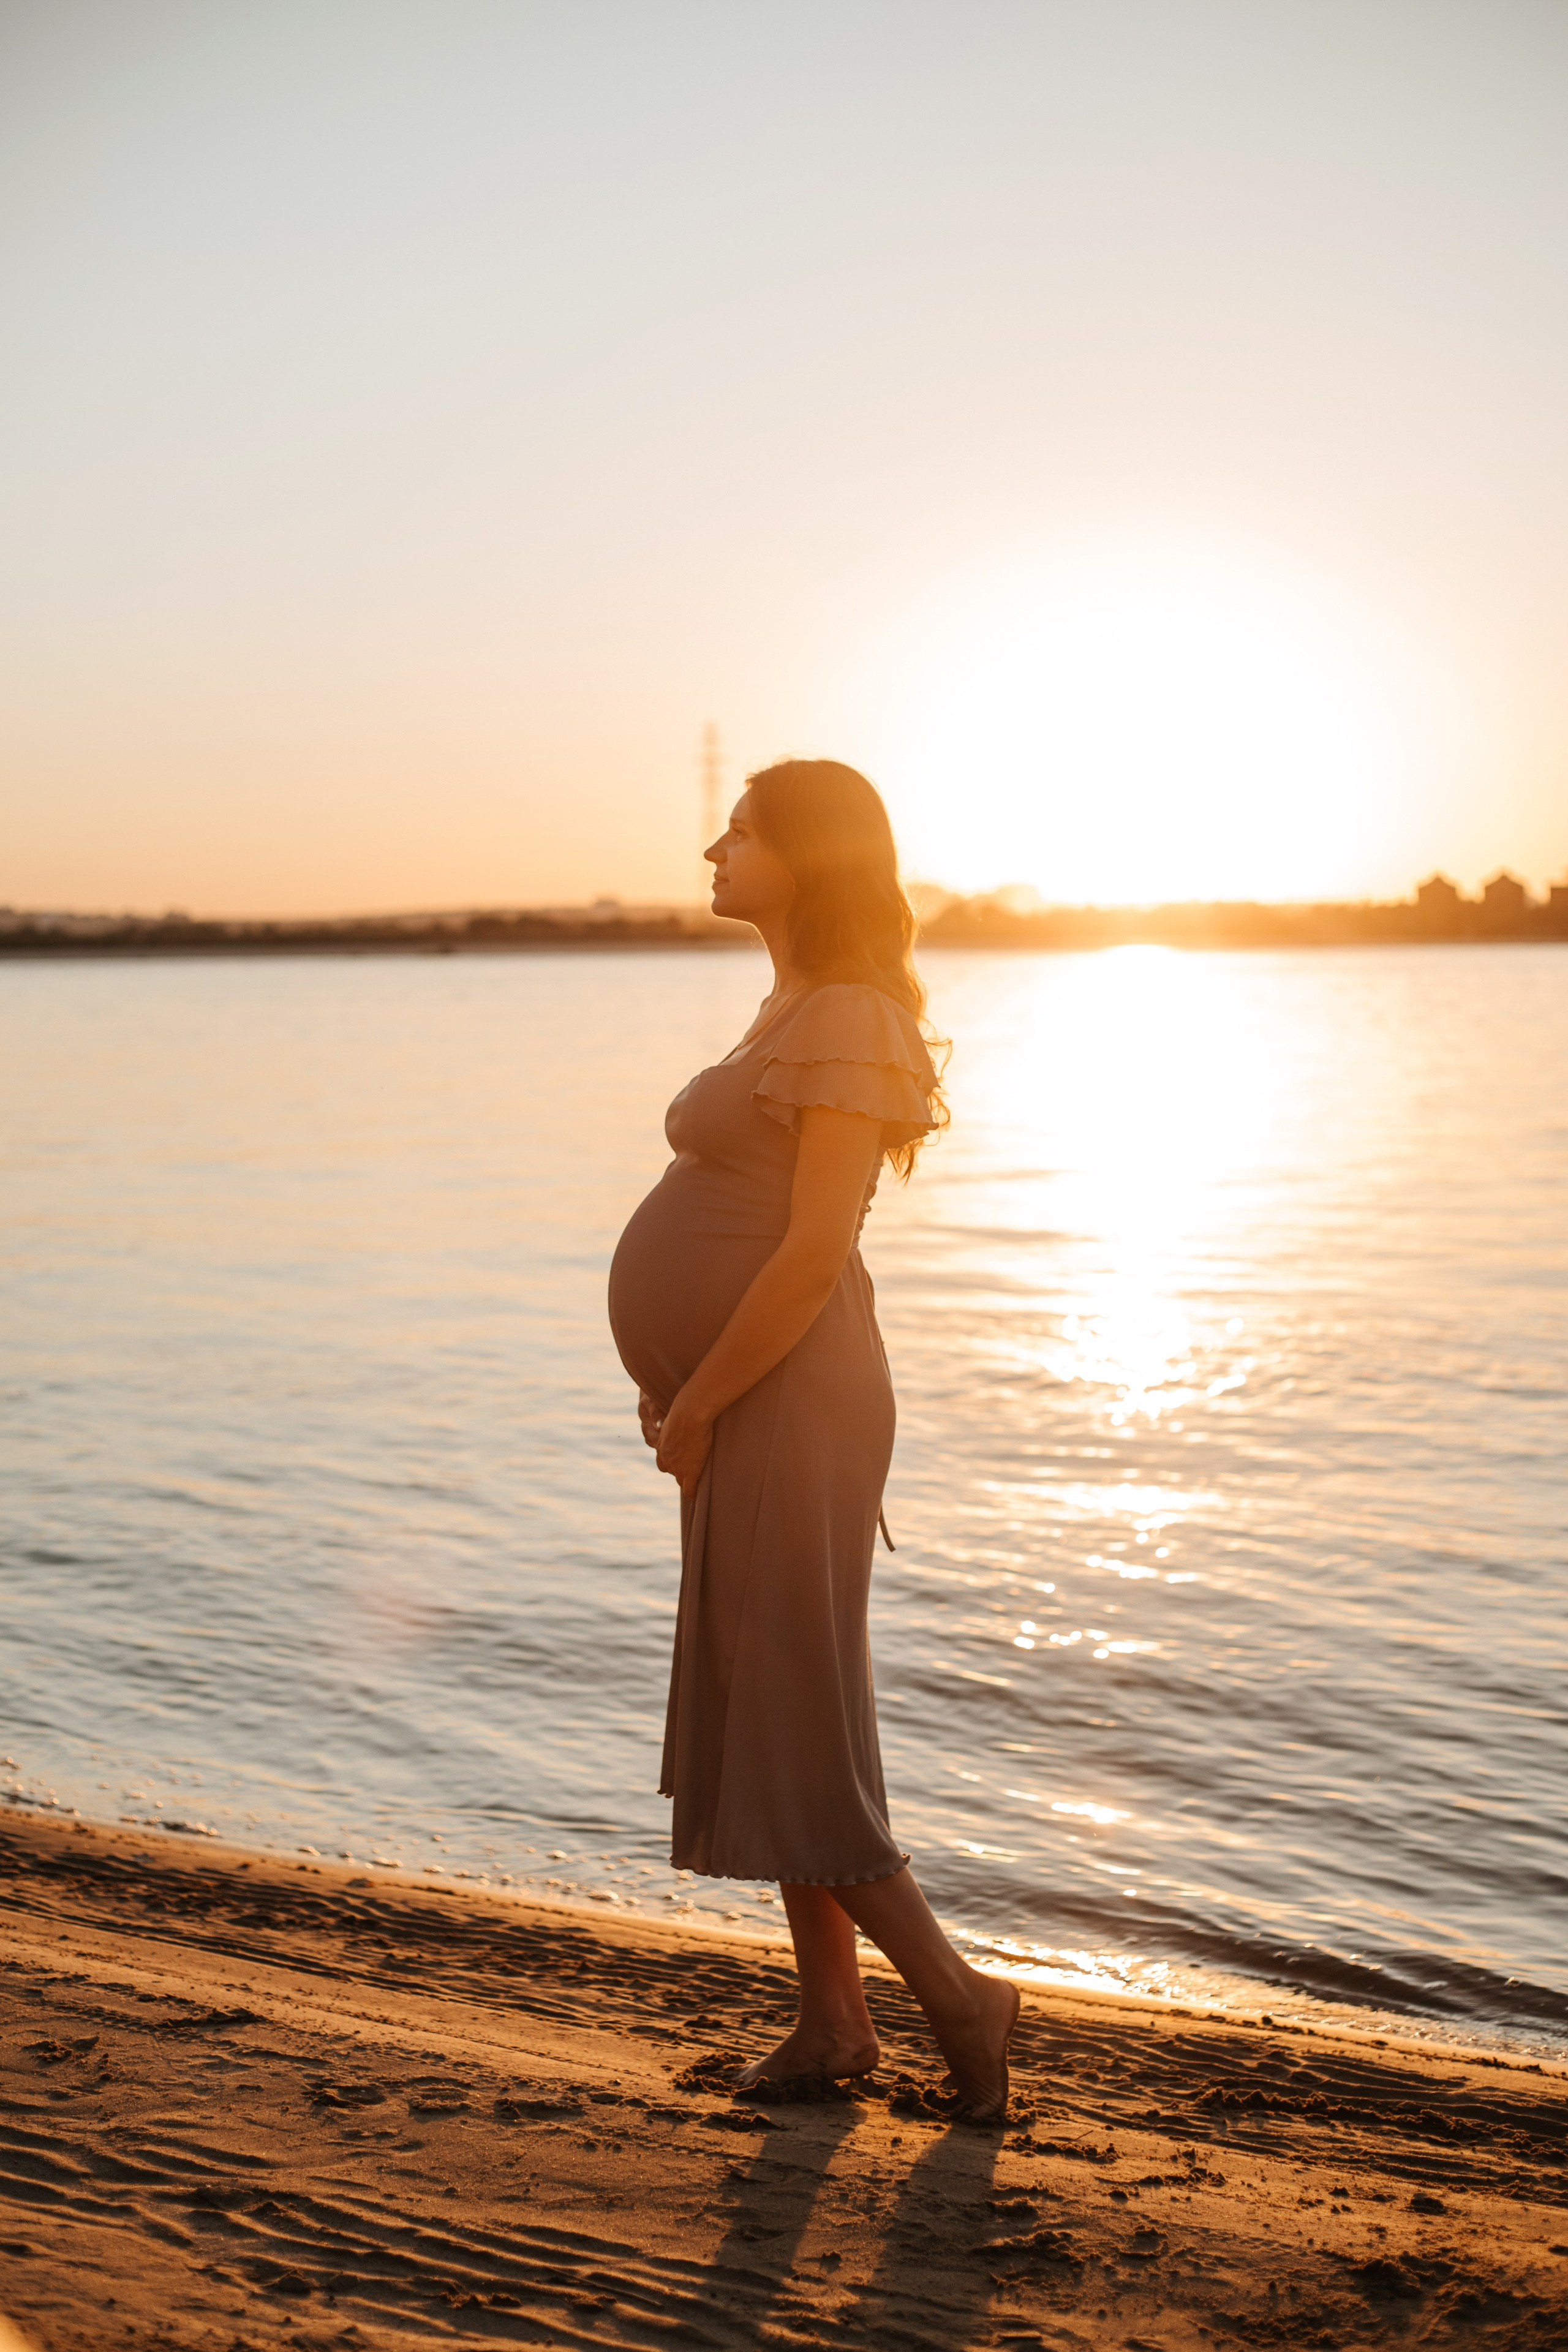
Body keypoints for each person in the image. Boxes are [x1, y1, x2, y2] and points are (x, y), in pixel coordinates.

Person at [608, 758, 1020, 2116]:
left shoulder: (846, 1010)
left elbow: (807, 1254)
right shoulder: (786, 1003)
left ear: (809, 857)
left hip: (791, 1392)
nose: (711, 847)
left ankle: (962, 2002)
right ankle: (832, 2026)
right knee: (774, 1703)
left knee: (792, 1715)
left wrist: (706, 1397)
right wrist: (674, 1385)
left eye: (740, 831)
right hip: (739, 1395)